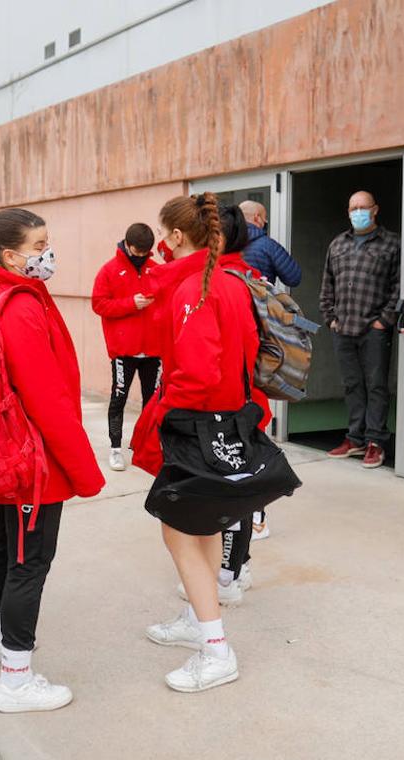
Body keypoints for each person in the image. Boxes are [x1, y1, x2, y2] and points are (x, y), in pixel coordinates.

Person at [0, 208, 105, 713]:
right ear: (10, 256)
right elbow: (46, 397)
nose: (47, 254)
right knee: (29, 562)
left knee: (4, 545)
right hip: (31, 455)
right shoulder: (19, 306)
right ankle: (16, 677)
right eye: (39, 246)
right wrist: (84, 469)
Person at [131, 193, 263, 693]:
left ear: (178, 236)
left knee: (179, 534)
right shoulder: (231, 281)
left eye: (164, 234)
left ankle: (215, 649)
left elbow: (196, 372)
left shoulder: (196, 288)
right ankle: (197, 618)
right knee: (203, 528)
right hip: (226, 421)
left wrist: (162, 413)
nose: (160, 243)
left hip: (196, 424)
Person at [319, 190, 400, 469]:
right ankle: (355, 439)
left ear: (375, 210)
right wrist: (331, 317)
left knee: (376, 385)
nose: (358, 212)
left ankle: (375, 442)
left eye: (363, 207)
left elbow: (399, 286)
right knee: (352, 384)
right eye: (353, 207)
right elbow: (327, 284)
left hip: (374, 328)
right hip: (343, 327)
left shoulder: (391, 244)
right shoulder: (338, 244)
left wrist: (384, 321)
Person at [91, 223, 162, 471]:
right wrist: (131, 304)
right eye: (138, 251)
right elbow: (99, 305)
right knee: (118, 399)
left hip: (154, 349)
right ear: (128, 245)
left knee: (152, 402)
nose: (142, 256)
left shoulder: (156, 270)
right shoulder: (109, 271)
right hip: (123, 350)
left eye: (146, 252)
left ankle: (145, 448)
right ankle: (115, 449)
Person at [238, 200, 301, 287]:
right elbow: (294, 278)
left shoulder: (224, 244)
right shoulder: (267, 245)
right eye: (264, 217)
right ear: (257, 217)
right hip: (260, 299)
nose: (265, 221)